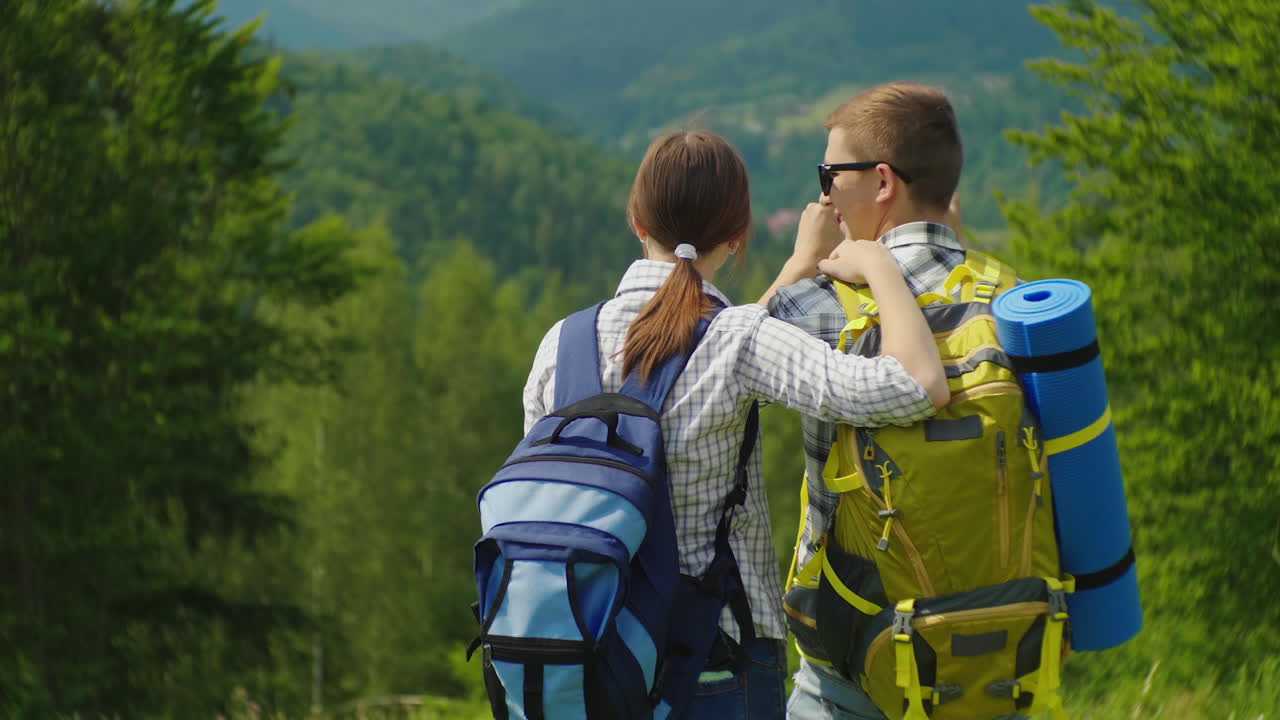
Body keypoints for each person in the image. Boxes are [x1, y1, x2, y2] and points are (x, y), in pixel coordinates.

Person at [521, 129, 949, 719]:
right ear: (738, 236)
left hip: (586, 653)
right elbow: (915, 387)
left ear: (636, 221)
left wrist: (799, 264)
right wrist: (880, 266)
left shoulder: (559, 345)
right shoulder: (739, 343)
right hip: (713, 663)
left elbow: (704, 339)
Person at [767, 82, 980, 719]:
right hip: (995, 646)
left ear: (882, 182)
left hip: (854, 658)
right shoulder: (1016, 304)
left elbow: (726, 359)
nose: (824, 193)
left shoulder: (824, 305)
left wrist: (802, 260)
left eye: (830, 174)